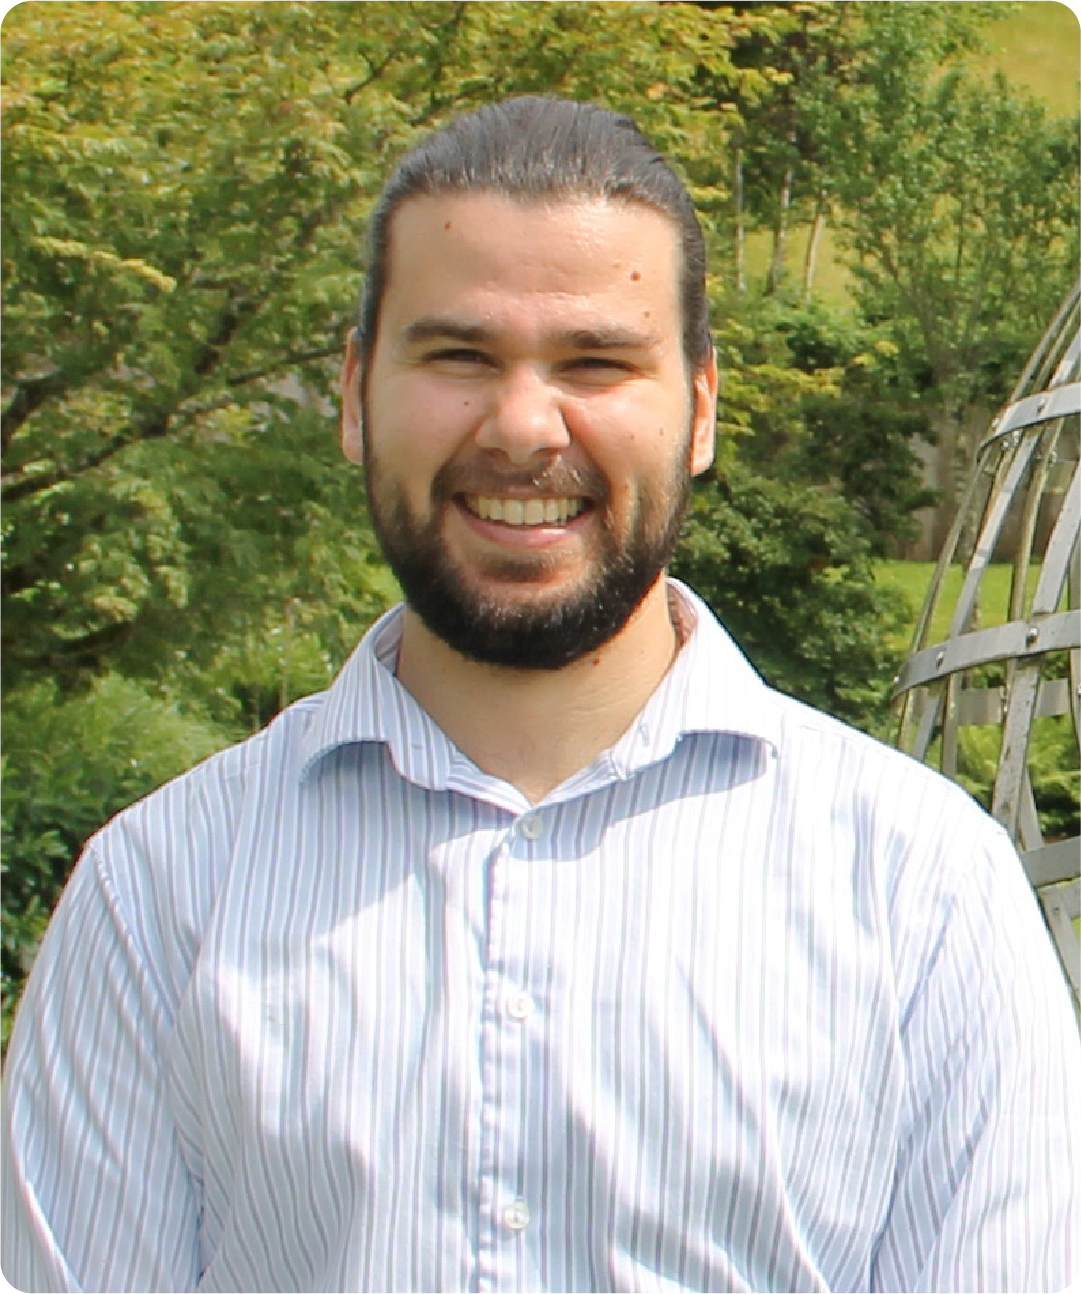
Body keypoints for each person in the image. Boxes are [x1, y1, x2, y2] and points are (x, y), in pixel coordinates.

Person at [2, 95, 1077, 1294]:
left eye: (595, 361)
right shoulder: (157, 895)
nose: (522, 426)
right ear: (356, 395)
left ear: (701, 408)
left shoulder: (922, 890)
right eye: (458, 356)